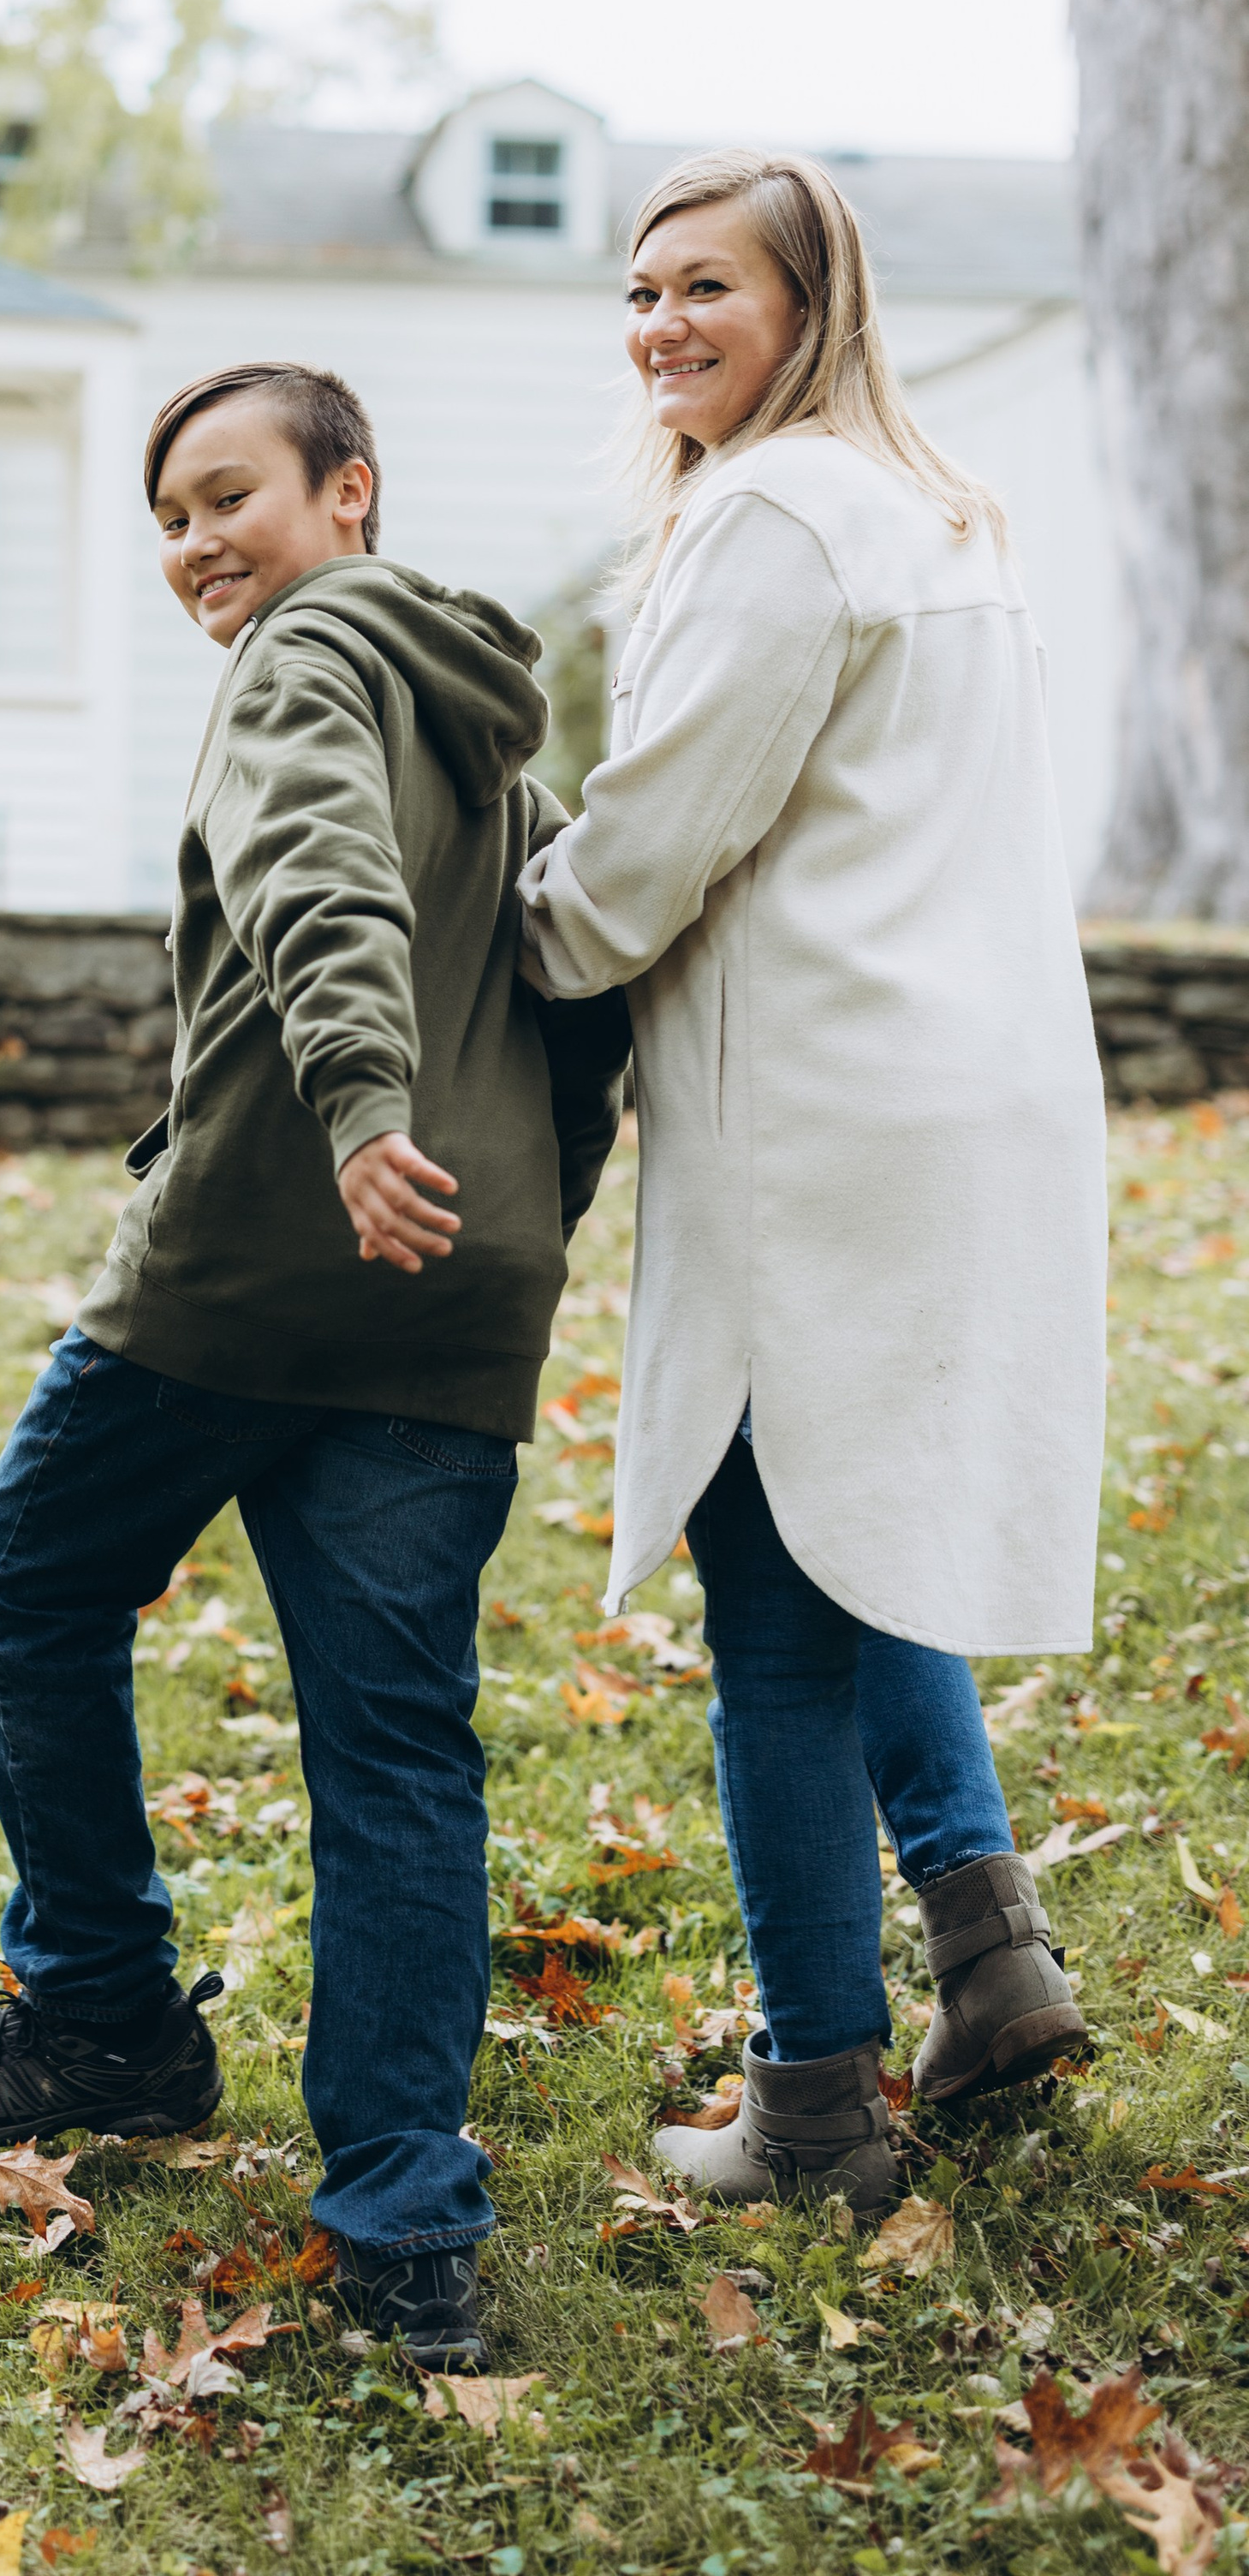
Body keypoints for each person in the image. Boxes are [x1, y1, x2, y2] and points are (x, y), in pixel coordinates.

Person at [0, 359, 631, 2371]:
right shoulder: (494, 738)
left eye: (231, 495)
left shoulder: (304, 659)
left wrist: (355, 1103)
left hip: (248, 1263)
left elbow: (315, 870)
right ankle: (403, 2218)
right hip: (447, 1295)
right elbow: (577, 1011)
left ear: (347, 493)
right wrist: (517, 1210)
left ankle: (105, 2011)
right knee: (396, 1752)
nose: (198, 544)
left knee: (29, 1576)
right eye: (170, 518)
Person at [517, 153, 1106, 2209]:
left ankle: (813, 2110)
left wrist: (508, 938)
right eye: (639, 288)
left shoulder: (776, 515)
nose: (661, 322)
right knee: (867, 1541)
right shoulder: (931, 510)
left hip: (826, 1112)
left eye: (708, 289)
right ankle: (985, 1952)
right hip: (960, 1092)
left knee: (769, 1604)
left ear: (809, 304)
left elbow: (653, 835)